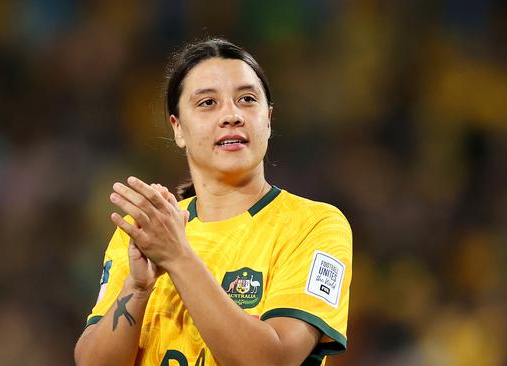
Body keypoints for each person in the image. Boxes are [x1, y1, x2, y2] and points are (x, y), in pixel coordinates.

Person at [74, 37, 352, 366]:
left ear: (268, 119)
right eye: (207, 103)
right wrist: (136, 287)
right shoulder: (148, 230)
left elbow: (273, 361)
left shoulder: (314, 226)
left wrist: (177, 256)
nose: (232, 115)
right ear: (178, 128)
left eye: (247, 99)